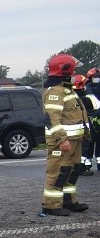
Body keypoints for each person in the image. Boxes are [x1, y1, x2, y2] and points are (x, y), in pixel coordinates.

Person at [41, 54, 90, 216]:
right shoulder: (55, 92)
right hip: (62, 142)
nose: (75, 70)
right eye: (73, 67)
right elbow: (52, 119)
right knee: (57, 172)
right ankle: (51, 205)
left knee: (72, 171)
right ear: (65, 70)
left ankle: (68, 201)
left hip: (75, 141)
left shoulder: (66, 89)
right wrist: (62, 139)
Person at [70, 75, 100, 176]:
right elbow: (95, 111)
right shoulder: (87, 99)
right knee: (84, 147)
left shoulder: (69, 97)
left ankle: (75, 167)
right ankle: (81, 168)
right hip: (85, 129)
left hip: (70, 131)